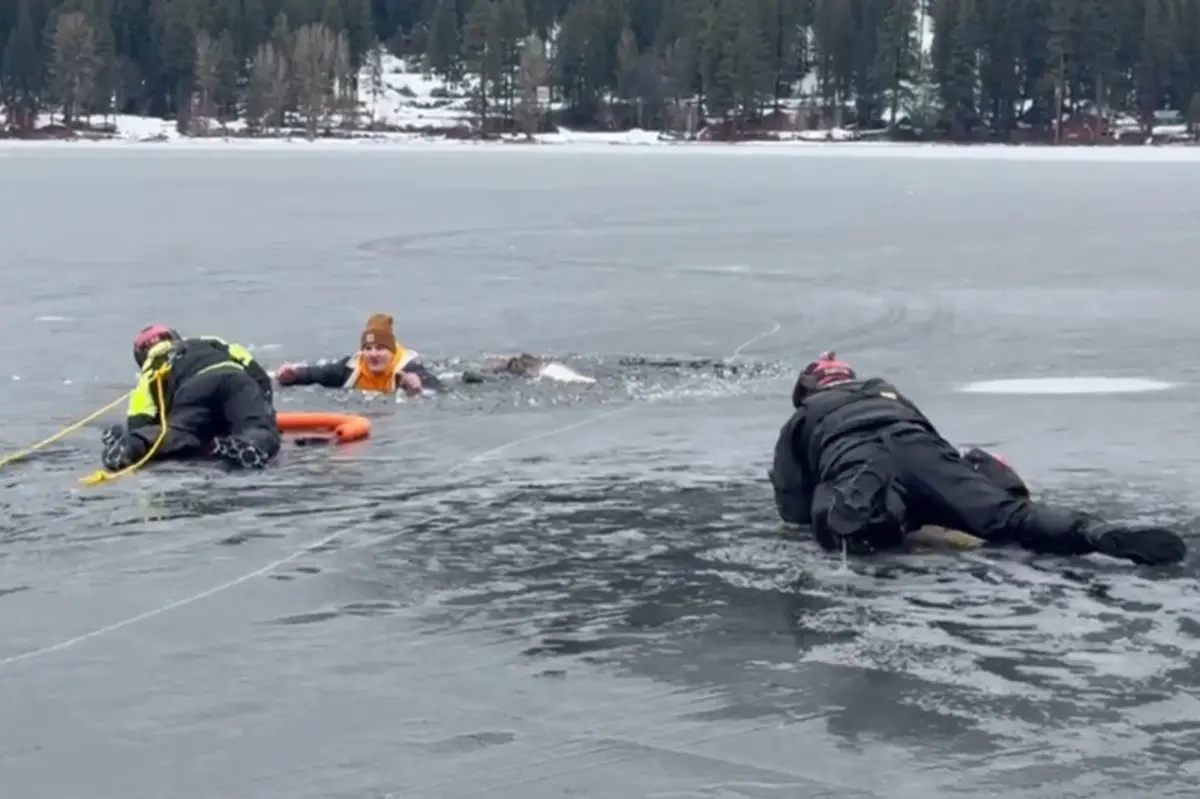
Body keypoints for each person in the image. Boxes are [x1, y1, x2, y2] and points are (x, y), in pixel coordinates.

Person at [769, 351, 1186, 566]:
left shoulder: (804, 418)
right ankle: (1094, 532)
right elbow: (939, 446)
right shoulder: (890, 397)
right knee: (1007, 516)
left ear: (806, 390)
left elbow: (793, 506)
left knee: (845, 529)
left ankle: (867, 510)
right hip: (918, 447)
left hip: (852, 456)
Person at [100, 326, 281, 471]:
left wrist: (135, 438)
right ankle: (247, 444)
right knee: (257, 428)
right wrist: (264, 411)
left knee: (180, 435)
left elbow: (140, 420)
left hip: (192, 390)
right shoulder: (211, 342)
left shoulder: (151, 367)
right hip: (233, 377)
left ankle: (128, 449)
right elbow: (258, 376)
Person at [274, 313, 442, 395]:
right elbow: (321, 374)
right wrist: (294, 375)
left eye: (380, 348)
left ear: (392, 351)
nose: (373, 354)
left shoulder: (407, 368)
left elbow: (438, 391)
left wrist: (419, 389)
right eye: (368, 348)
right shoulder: (352, 368)